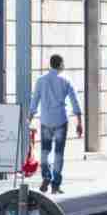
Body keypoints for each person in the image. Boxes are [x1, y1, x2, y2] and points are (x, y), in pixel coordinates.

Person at [29, 54, 84, 194]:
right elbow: (75, 101)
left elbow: (35, 100)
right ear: (60, 64)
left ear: (51, 64)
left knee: (45, 151)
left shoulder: (41, 80)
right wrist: (79, 122)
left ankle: (46, 176)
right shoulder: (66, 80)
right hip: (60, 119)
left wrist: (29, 117)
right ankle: (55, 185)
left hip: (46, 120)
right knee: (59, 153)